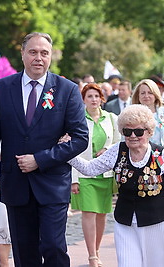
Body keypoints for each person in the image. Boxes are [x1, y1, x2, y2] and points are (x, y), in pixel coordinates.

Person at [0, 32, 89, 267]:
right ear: (23, 54)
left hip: (53, 184)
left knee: (54, 246)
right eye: (33, 52)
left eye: (44, 53)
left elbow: (80, 138)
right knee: (25, 253)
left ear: (50, 57)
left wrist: (41, 159)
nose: (39, 58)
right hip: (16, 184)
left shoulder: (66, 90)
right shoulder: (2, 88)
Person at [64, 104, 164, 267]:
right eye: (128, 132)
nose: (133, 136)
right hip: (125, 222)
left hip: (157, 222)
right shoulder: (117, 151)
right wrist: (67, 150)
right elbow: (89, 168)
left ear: (149, 132)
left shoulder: (160, 154)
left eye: (139, 131)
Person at [70, 83, 120, 267]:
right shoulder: (77, 120)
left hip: (105, 173)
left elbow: (117, 142)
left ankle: (97, 251)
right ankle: (91, 255)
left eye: (96, 96)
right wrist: (73, 179)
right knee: (89, 212)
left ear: (102, 99)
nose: (93, 100)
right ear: (83, 99)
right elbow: (72, 150)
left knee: (102, 214)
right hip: (84, 173)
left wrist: (107, 149)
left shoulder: (111, 118)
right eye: (89, 96)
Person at [131, 79, 164, 170]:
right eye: (142, 93)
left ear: (155, 94)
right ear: (138, 96)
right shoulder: (131, 114)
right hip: (140, 163)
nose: (146, 96)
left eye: (150, 93)